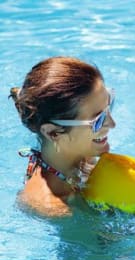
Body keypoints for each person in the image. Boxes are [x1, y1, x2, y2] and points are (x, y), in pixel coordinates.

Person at [9, 56, 116, 217]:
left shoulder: (80, 157)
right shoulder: (59, 209)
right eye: (98, 119)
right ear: (53, 133)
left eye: (110, 104)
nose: (112, 123)